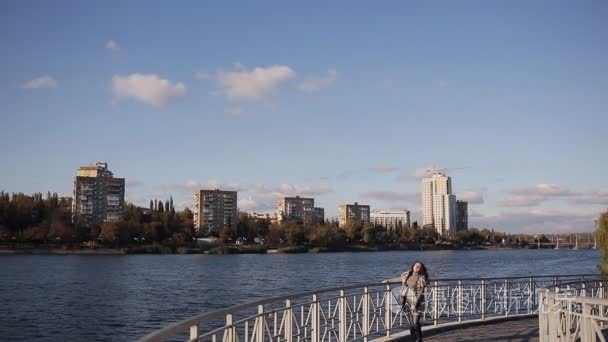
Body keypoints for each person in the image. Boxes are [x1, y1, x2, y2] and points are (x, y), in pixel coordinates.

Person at [401, 261, 428, 342]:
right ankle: (413, 339)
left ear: (421, 269)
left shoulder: (422, 278)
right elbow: (398, 279)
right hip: (407, 302)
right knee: (411, 324)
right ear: (413, 266)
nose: (416, 267)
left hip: (418, 303)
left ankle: (419, 339)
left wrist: (415, 305)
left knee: (415, 322)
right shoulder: (407, 275)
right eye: (416, 265)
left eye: (419, 266)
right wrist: (386, 281)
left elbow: (420, 293)